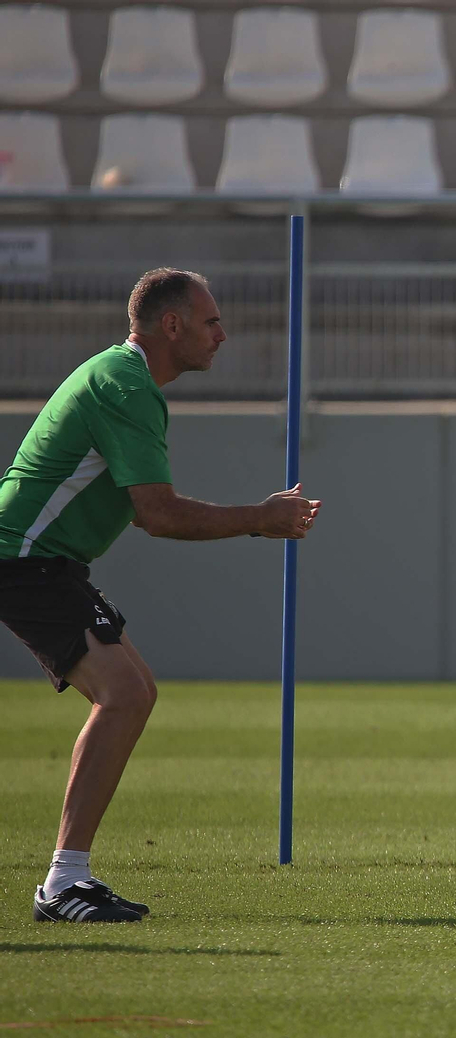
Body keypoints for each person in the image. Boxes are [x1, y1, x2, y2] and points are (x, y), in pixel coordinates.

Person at [0, 269, 321, 922]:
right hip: (24, 559)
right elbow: (159, 514)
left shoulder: (127, 379)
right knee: (126, 693)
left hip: (45, 563)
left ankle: (68, 878)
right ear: (170, 326)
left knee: (133, 693)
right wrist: (261, 518)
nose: (222, 335)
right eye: (211, 322)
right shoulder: (126, 386)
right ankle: (63, 884)